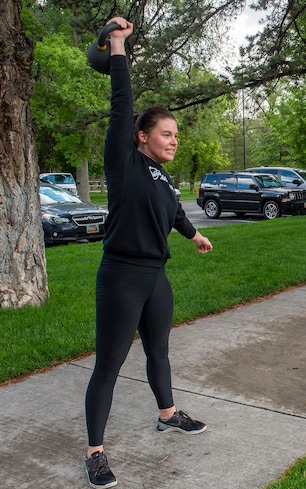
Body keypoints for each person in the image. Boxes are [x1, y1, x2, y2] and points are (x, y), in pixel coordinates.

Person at [84, 17, 213, 489]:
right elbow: (123, 105)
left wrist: (192, 235)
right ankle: (95, 452)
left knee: (158, 350)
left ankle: (168, 414)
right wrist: (117, 44)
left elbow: (173, 212)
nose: (174, 140)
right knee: (108, 367)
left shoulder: (163, 177)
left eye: (177, 135)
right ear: (142, 136)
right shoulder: (123, 161)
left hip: (156, 276)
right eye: (166, 134)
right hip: (121, 275)